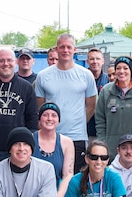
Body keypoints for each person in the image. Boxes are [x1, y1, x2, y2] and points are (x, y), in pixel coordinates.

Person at [35, 33, 98, 168]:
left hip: (77, 137)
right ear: (56, 49)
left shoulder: (86, 75)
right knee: (49, 177)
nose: (65, 50)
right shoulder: (43, 76)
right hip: (51, 136)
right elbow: (40, 106)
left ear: (74, 50)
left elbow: (92, 105)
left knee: (75, 180)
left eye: (69, 47)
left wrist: (78, 121)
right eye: (62, 47)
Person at [94, 56, 132, 158]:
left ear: (131, 71)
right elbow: (100, 120)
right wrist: (104, 142)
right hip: (112, 151)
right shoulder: (106, 91)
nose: (121, 71)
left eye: (125, 68)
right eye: (118, 68)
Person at [85, 47, 108, 138]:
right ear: (87, 61)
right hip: (86, 129)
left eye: (98, 59)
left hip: (104, 129)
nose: (95, 61)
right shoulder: (81, 79)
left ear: (103, 61)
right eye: (92, 59)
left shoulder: (109, 80)